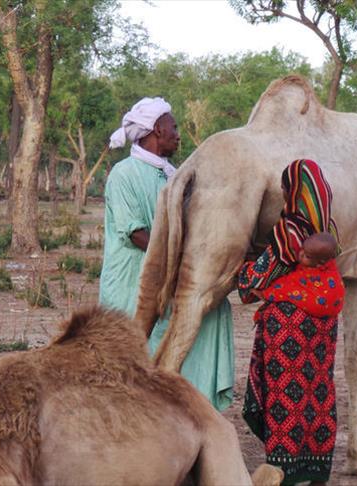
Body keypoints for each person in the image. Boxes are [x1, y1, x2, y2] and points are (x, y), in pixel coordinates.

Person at [99, 97, 234, 411]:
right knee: (131, 351)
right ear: (157, 130)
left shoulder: (174, 175)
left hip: (168, 276)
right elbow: (136, 233)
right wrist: (185, 261)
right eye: (173, 127)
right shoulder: (124, 174)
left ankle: (188, 410)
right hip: (132, 282)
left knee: (213, 312)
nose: (178, 134)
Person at [237, 159, 342, 486]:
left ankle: (283, 467)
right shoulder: (328, 229)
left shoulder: (290, 231)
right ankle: (316, 466)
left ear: (292, 191)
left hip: (288, 327)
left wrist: (244, 269)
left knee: (286, 395)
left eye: (285, 188)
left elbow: (257, 280)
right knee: (317, 390)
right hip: (323, 326)